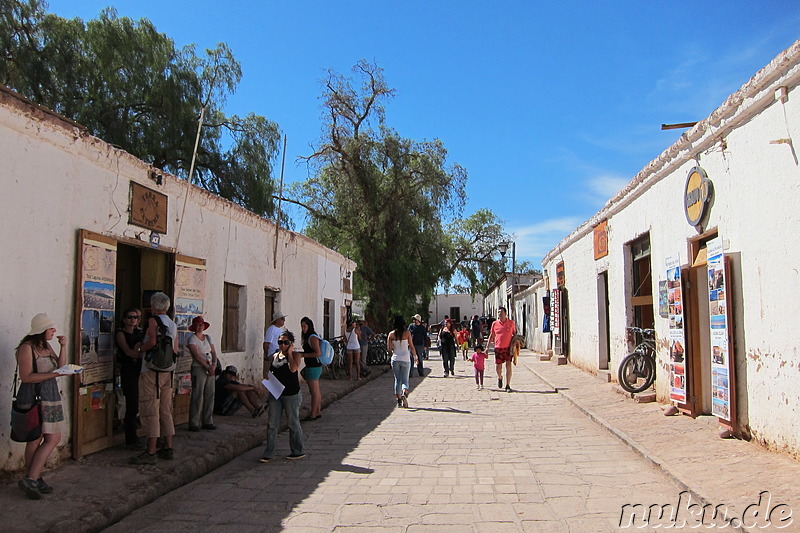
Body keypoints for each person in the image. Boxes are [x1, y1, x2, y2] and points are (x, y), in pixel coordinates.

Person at [14, 313, 73, 500]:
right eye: (50, 328)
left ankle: (33, 477)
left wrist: (63, 347)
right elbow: (27, 377)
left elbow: (59, 367)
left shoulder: (45, 346)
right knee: (38, 437)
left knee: (49, 437)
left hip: (49, 395)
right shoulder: (27, 348)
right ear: (41, 330)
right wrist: (53, 375)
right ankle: (32, 478)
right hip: (34, 396)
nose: (54, 331)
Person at [129, 292, 178, 465]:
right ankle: (168, 447)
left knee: (150, 408)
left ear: (154, 306)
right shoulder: (172, 324)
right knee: (165, 409)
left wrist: (140, 349)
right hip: (168, 371)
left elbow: (152, 342)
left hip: (151, 371)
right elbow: (175, 349)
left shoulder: (153, 321)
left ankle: (150, 451)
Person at [260, 331, 305, 462]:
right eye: (280, 342)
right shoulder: (274, 356)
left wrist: (290, 353)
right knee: (272, 423)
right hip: (276, 393)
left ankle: (297, 450)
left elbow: (293, 368)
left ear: (291, 344)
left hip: (291, 394)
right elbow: (269, 371)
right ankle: (269, 452)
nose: (282, 345)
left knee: (293, 422)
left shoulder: (295, 355)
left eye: (286, 342)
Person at [115, 307, 145, 450]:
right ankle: (131, 438)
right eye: (130, 317)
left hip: (139, 370)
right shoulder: (121, 334)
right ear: (124, 319)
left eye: (136, 317)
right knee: (131, 405)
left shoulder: (140, 333)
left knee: (139, 404)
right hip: (128, 371)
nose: (133, 320)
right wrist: (138, 353)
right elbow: (128, 351)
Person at [186, 316, 218, 432]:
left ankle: (207, 420)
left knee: (210, 394)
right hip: (199, 368)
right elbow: (197, 355)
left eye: (201, 325)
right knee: (198, 395)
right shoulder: (192, 339)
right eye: (198, 325)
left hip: (210, 366)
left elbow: (213, 352)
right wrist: (208, 366)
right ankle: (194, 422)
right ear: (194, 327)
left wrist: (214, 364)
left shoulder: (208, 338)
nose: (200, 327)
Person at [387, 315, 418, 408]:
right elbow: (411, 346)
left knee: (397, 380)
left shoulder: (391, 334)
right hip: (405, 358)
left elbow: (389, 349)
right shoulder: (407, 333)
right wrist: (415, 356)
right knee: (405, 379)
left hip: (395, 359)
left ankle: (399, 401)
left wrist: (391, 355)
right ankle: (404, 392)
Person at [486, 306, 517, 392]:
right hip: (498, 347)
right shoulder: (495, 324)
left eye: (501, 312)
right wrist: (487, 348)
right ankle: (500, 377)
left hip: (508, 348)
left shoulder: (511, 323)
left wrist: (515, 345)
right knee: (498, 367)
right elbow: (491, 336)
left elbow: (514, 334)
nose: (500, 314)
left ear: (505, 313)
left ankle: (508, 385)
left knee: (508, 366)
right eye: (499, 312)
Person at [299, 316, 322, 421]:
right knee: (315, 391)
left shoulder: (312, 337)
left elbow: (317, 353)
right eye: (302, 326)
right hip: (311, 366)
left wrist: (303, 355)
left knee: (314, 392)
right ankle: (317, 412)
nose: (303, 328)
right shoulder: (309, 337)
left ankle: (313, 414)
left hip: (313, 366)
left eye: (305, 326)